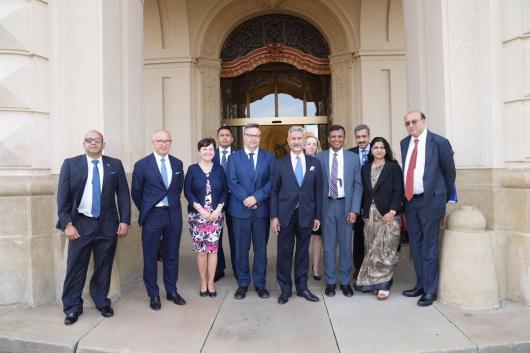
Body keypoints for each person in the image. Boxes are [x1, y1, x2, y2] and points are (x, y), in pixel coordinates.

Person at [57, 130, 131, 325]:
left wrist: (125, 220)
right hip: (81, 223)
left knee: (104, 265)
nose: (93, 144)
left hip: (108, 224)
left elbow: (123, 194)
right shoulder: (71, 164)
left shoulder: (114, 164)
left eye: (96, 141)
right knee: (76, 267)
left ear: (103, 144)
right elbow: (62, 198)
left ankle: (101, 301)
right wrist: (67, 224)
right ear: (83, 144)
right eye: (89, 141)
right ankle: (72, 307)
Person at [400, 111, 456, 307]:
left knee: (430, 246)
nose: (411, 125)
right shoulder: (405, 143)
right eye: (407, 123)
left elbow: (450, 173)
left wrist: (443, 198)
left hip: (431, 201)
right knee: (416, 246)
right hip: (411, 202)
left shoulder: (439, 142)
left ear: (423, 121)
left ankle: (430, 291)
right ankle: (421, 284)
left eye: (414, 121)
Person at [131, 129, 186, 310]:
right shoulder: (142, 165)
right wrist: (148, 208)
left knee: (171, 255)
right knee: (150, 256)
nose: (164, 144)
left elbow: (177, 189)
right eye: (160, 141)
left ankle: (171, 291)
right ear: (153, 142)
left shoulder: (177, 164)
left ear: (170, 143)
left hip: (173, 215)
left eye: (167, 140)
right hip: (153, 215)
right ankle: (153, 294)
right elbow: (136, 193)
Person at [271, 126, 322, 304]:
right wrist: (274, 217)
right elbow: (275, 191)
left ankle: (302, 288)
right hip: (285, 215)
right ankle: (285, 290)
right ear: (288, 140)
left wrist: (317, 216)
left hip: (307, 215)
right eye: (293, 139)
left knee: (302, 253)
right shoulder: (280, 163)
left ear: (303, 139)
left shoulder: (315, 163)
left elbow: (318, 191)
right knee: (284, 253)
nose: (296, 142)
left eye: (299, 138)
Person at [226, 123, 275, 300]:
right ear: (244, 137)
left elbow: (271, 182)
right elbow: (231, 181)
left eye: (257, 135)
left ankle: (260, 284)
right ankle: (243, 284)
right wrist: (248, 199)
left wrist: (257, 198)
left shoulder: (269, 158)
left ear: (260, 138)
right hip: (240, 211)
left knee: (261, 250)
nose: (253, 138)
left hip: (261, 211)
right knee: (241, 250)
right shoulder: (234, 158)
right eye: (250, 135)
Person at [316, 125, 363, 297]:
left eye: (340, 136)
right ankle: (330, 282)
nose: (337, 139)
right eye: (333, 136)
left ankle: (344, 282)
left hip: (346, 207)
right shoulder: (319, 158)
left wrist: (355, 210)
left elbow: (358, 185)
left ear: (344, 138)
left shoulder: (353, 158)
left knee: (345, 246)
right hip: (327, 206)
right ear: (328, 139)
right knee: (328, 247)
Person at [354, 137, 403, 300]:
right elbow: (364, 192)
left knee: (386, 249)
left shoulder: (393, 167)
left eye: (382, 147)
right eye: (376, 147)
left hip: (388, 215)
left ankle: (385, 284)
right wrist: (363, 212)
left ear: (386, 150)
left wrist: (393, 211)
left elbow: (398, 191)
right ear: (371, 150)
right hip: (370, 215)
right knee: (372, 249)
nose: (379, 150)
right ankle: (375, 282)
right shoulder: (365, 168)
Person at [184, 138, 228, 297]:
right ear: (199, 151)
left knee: (213, 250)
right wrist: (200, 210)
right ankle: (203, 282)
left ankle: (211, 283)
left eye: (211, 149)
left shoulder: (219, 169)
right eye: (205, 149)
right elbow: (187, 191)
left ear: (214, 152)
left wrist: (218, 210)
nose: (208, 152)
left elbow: (225, 190)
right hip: (197, 216)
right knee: (201, 251)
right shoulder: (192, 169)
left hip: (216, 216)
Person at [213, 126, 236, 282]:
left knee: (236, 237)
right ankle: (218, 269)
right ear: (218, 138)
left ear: (232, 138)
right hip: (216, 202)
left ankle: (237, 268)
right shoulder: (210, 154)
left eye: (227, 135)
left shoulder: (239, 155)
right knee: (216, 237)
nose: (225, 137)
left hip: (235, 200)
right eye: (222, 135)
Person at [348, 124, 371, 279]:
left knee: (374, 237)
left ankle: (373, 268)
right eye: (358, 137)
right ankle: (358, 267)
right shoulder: (350, 154)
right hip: (356, 203)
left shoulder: (377, 150)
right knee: (358, 237)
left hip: (374, 203)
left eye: (364, 136)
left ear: (369, 136)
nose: (361, 140)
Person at [304, 135, 323, 280]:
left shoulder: (320, 162)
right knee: (302, 238)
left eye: (314, 144)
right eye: (308, 144)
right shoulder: (295, 161)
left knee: (317, 237)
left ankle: (315, 266)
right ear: (303, 146)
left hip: (316, 205)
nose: (311, 146)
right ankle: (302, 266)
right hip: (302, 207)